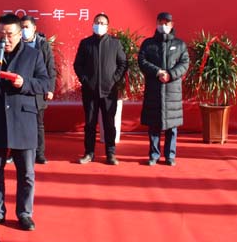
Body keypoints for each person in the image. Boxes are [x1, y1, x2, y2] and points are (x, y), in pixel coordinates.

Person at [0, 13, 50, 231]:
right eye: (1, 34)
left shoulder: (33, 55)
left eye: (10, 34)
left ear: (20, 34)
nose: (5, 38)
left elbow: (45, 83)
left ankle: (24, 213)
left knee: (27, 173)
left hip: (23, 119)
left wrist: (25, 83)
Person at [73, 13, 127, 165]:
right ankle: (89, 153)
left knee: (109, 123)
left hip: (109, 91)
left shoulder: (115, 43)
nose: (99, 25)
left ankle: (111, 153)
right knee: (90, 124)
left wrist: (114, 79)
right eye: (97, 22)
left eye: (102, 23)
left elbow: (123, 63)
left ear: (107, 26)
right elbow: (78, 65)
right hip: (90, 92)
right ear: (93, 24)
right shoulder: (86, 43)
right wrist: (85, 80)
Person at [138, 12, 190, 166]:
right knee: (154, 125)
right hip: (154, 90)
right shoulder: (148, 44)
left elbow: (184, 63)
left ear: (172, 25)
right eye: (161, 23)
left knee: (171, 127)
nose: (163, 26)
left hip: (172, 91)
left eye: (167, 23)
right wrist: (158, 72)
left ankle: (170, 156)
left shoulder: (180, 45)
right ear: (156, 24)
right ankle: (154, 155)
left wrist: (170, 74)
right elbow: (142, 61)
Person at [20, 15, 56, 164]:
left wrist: (50, 88)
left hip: (39, 89)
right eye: (22, 27)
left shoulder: (43, 45)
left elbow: (50, 68)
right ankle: (16, 152)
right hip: (20, 88)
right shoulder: (16, 44)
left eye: (26, 27)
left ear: (34, 28)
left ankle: (39, 154)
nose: (24, 30)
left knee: (38, 124)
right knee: (19, 123)